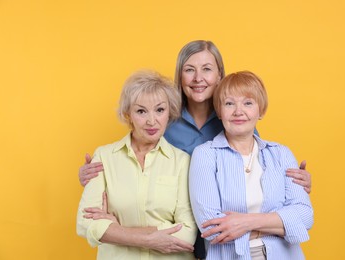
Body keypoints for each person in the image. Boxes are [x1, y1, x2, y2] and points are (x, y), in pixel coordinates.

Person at [78, 40, 312, 259]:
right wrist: (98, 176)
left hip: (210, 245)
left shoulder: (237, 124)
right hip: (202, 243)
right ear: (179, 76)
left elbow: (268, 188)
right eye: (189, 69)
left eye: (207, 69)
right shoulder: (161, 124)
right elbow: (131, 175)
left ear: (220, 74)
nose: (198, 78)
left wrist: (294, 182)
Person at [188, 71, 314, 260]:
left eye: (248, 103)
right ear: (220, 112)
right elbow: (211, 228)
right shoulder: (205, 155)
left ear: (260, 111)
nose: (238, 111)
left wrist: (244, 222)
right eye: (229, 103)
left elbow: (304, 217)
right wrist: (282, 224)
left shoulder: (281, 154)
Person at [76, 70, 197, 259]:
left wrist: (117, 230)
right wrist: (149, 239)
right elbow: (85, 223)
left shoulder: (182, 161)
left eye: (159, 110)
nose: (152, 121)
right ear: (128, 114)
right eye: (141, 111)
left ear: (169, 112)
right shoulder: (104, 157)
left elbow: (187, 233)